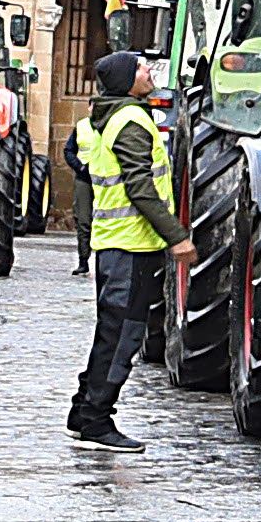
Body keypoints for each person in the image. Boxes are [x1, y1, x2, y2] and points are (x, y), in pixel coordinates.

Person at [65, 49, 174, 449]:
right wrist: (177, 236)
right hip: (130, 245)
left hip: (119, 244)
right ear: (128, 79)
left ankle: (83, 410)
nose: (149, 72)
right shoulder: (130, 121)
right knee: (123, 335)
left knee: (111, 333)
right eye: (142, 67)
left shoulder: (112, 117)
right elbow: (141, 188)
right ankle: (96, 419)